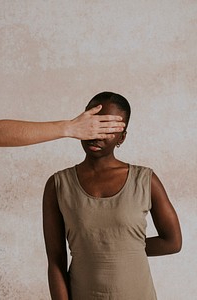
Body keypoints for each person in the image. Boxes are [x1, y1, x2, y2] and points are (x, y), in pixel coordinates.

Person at [43, 92, 182, 300]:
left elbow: (173, 242)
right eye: (94, 124)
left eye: (108, 129)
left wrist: (124, 249)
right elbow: (55, 260)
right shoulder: (58, 185)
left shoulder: (145, 180)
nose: (97, 134)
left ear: (122, 137)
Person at [0, 105, 125, 147]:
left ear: (122, 137)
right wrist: (70, 128)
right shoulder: (59, 182)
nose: (97, 137)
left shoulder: (143, 178)